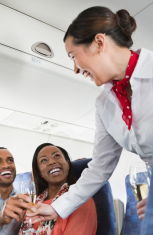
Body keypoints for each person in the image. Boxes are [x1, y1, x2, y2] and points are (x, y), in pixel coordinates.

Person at [26, 6, 153, 229]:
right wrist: (55, 207)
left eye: (74, 56)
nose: (75, 69)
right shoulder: (104, 104)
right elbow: (99, 168)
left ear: (99, 43)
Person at [20, 143, 97, 235]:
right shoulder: (32, 204)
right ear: (40, 173)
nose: (51, 162)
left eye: (57, 156)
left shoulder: (80, 200)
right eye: (44, 160)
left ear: (67, 164)